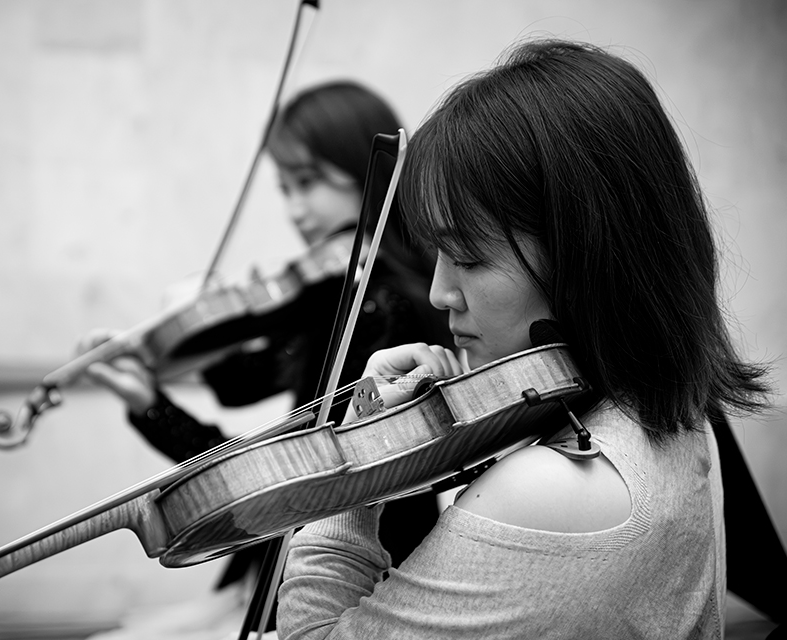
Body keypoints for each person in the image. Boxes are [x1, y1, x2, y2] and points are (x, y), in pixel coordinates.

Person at [277, 39, 771, 639]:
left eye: (469, 257)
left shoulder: (550, 490)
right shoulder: (678, 417)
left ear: (585, 259)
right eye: (436, 253)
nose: (440, 294)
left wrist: (354, 475)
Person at [78, 81, 453, 629]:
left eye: (308, 183)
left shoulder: (386, 310)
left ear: (362, 169)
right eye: (284, 188)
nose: (294, 210)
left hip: (355, 570)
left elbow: (288, 475)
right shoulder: (336, 294)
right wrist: (179, 347)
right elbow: (243, 381)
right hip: (289, 555)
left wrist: (154, 407)